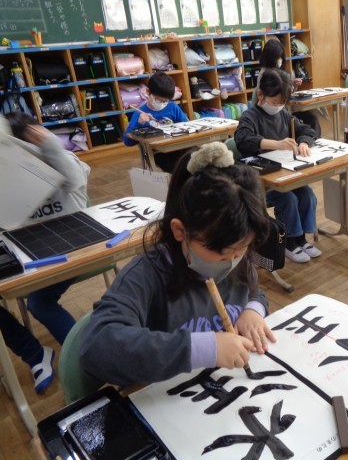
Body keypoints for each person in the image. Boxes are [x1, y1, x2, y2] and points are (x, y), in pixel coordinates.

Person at [79, 142, 276, 386]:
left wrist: (254, 309)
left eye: (242, 249)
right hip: (167, 394)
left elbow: (253, 290)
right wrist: (203, 348)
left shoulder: (234, 252)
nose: (233, 261)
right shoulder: (147, 274)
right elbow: (96, 348)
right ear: (180, 231)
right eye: (223, 254)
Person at [0, 112, 90, 393]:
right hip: (33, 250)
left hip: (75, 245)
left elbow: (75, 180)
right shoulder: (8, 172)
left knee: (39, 304)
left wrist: (49, 145)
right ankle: (35, 354)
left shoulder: (63, 158)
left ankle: (85, 357)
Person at [235, 68, 322, 264]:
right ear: (261, 95)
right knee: (288, 198)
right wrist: (275, 144)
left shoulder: (283, 114)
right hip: (261, 183)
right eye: (275, 102)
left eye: (282, 103)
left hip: (284, 174)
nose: (278, 107)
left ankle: (301, 239)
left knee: (307, 194)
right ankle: (289, 241)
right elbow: (242, 139)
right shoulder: (250, 117)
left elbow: (307, 130)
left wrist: (304, 142)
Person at [124, 72, 188, 173]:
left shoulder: (173, 107)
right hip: (158, 153)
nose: (163, 104)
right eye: (159, 100)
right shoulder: (140, 113)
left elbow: (187, 127)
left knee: (195, 155)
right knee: (178, 166)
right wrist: (138, 123)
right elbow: (127, 142)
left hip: (176, 146)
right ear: (147, 91)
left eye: (165, 101)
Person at [258, 38, 321, 136]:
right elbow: (275, 97)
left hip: (284, 110)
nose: (280, 60)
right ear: (271, 58)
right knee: (308, 121)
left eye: (281, 57)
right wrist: (287, 93)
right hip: (276, 114)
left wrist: (293, 85)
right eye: (278, 58)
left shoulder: (280, 71)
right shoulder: (264, 75)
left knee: (312, 119)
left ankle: (313, 141)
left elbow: (285, 93)